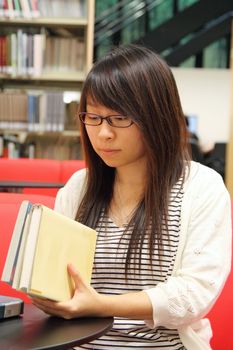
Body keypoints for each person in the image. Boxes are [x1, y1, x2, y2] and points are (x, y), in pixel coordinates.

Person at [32, 45, 232, 350]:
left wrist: (101, 304)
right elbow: (61, 282)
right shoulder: (79, 187)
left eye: (118, 118)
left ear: (156, 117)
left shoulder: (202, 187)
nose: (103, 134)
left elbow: (194, 295)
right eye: (93, 118)